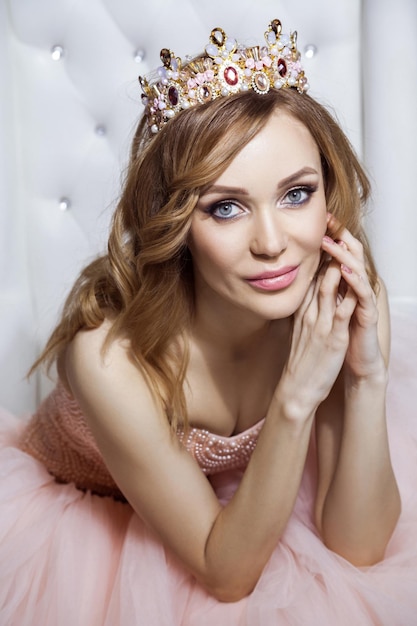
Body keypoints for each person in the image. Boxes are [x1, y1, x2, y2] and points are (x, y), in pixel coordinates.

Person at [1, 18, 416, 626]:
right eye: (226, 208)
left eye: (297, 194)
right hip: (95, 517)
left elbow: (358, 550)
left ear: (329, 193)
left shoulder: (339, 301)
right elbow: (225, 575)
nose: (273, 243)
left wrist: (365, 379)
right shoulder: (108, 357)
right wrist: (298, 394)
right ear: (175, 226)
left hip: (246, 502)